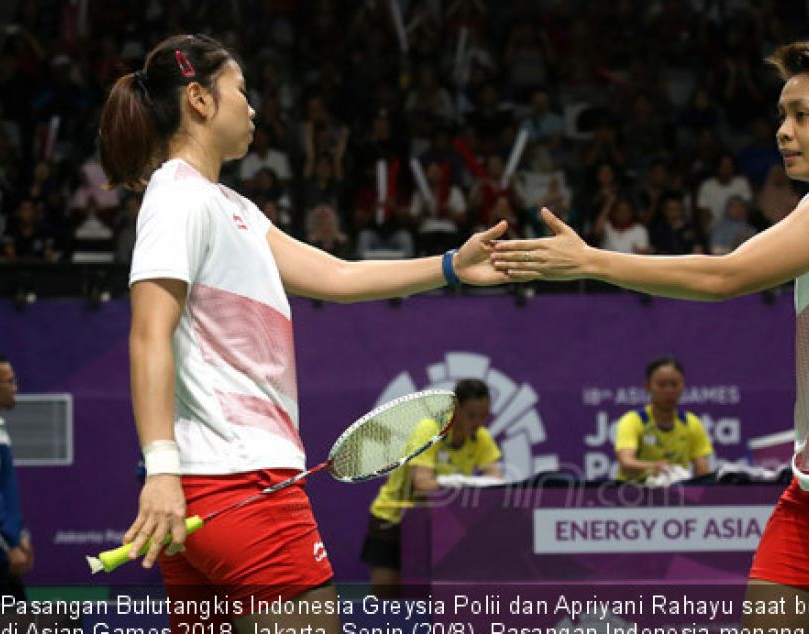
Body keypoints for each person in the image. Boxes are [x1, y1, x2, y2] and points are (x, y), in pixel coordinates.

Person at [493, 40, 809, 629]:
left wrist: (591, 261)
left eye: (803, 115)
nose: (783, 132)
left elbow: (724, 275)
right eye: (782, 116)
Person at [97, 34, 510, 630]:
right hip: (243, 483)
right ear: (199, 99)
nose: (253, 108)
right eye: (241, 91)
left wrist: (451, 266)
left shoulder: (231, 207)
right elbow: (148, 334)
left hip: (205, 501)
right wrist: (160, 468)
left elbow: (337, 275)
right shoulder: (177, 199)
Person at [362, 379, 501, 597]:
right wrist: (459, 483)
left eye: (484, 415)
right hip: (394, 517)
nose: (478, 422)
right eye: (472, 415)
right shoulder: (431, 429)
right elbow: (422, 484)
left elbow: (496, 480)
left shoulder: (480, 436)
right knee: (386, 597)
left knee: (428, 595)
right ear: (456, 411)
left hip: (436, 523)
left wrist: (471, 485)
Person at [0, 354, 32, 600]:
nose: (15, 388)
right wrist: (10, 545)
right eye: (9, 382)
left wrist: (19, 536)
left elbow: (4, 493)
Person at [614, 357, 712, 483]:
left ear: (683, 385)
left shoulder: (691, 422)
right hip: (635, 494)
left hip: (679, 494)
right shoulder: (633, 420)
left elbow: (702, 468)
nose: (669, 391)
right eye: (661, 385)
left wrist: (704, 494)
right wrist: (654, 467)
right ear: (648, 386)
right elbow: (626, 462)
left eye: (675, 384)